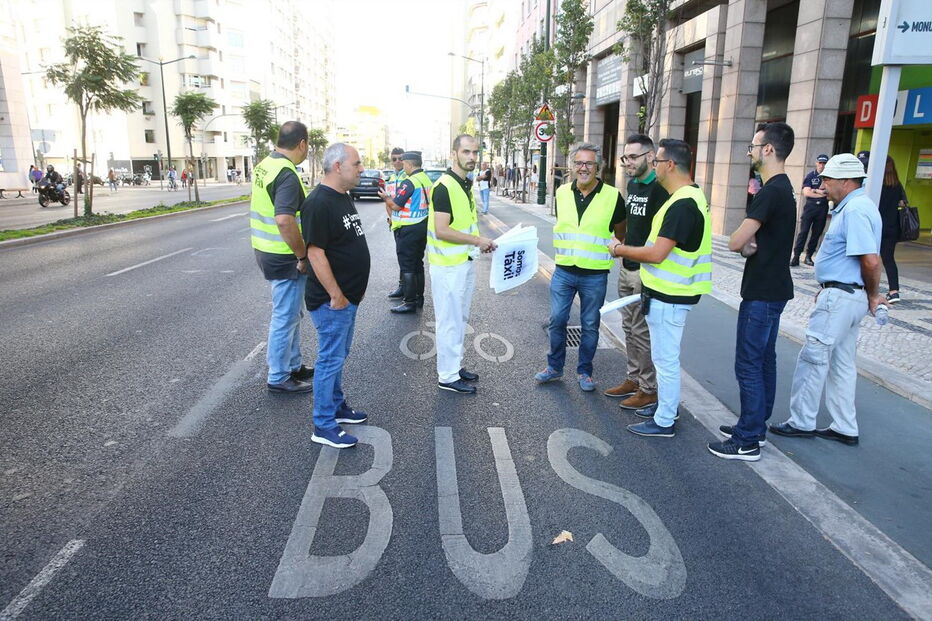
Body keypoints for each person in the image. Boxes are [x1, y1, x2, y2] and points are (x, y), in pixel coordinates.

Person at [770, 153, 883, 447]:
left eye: (828, 180)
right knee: (842, 363)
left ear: (845, 181)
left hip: (844, 295)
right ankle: (845, 426)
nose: (823, 185)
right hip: (847, 293)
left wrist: (873, 294)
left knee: (814, 357)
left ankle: (802, 421)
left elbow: (870, 260)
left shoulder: (855, 210)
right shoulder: (859, 206)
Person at [609, 139, 712, 438]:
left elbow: (656, 253)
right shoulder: (686, 198)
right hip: (668, 293)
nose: (654, 166)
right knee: (663, 357)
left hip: (670, 295)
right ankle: (665, 407)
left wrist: (619, 249)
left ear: (669, 165)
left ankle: (664, 419)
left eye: (658, 162)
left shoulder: (682, 204)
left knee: (665, 360)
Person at [709, 122, 797, 461]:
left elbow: (734, 240)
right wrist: (749, 247)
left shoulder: (770, 191)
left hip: (762, 293)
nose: (751, 151)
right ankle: (754, 427)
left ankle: (746, 439)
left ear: (769, 149)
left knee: (749, 363)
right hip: (774, 289)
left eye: (754, 145)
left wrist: (743, 244)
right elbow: (755, 244)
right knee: (763, 362)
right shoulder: (785, 188)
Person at [535, 143, 625, 392]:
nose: (583, 168)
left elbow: (620, 231)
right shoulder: (562, 192)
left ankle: (585, 372)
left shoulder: (612, 196)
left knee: (589, 325)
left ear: (599, 168)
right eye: (579, 163)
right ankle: (554, 367)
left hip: (594, 274)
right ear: (572, 166)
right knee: (557, 320)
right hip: (564, 270)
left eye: (589, 164)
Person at [301, 142, 371, 449]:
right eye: (357, 163)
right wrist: (336, 295)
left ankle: (338, 406)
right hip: (333, 301)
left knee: (338, 356)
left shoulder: (341, 196)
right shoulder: (318, 202)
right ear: (338, 166)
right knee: (329, 359)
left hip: (347, 298)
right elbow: (315, 253)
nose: (361, 169)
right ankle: (324, 424)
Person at [428, 134, 497, 394]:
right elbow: (442, 230)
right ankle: (447, 377)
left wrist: (477, 244)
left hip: (462, 263)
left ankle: (455, 368)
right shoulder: (445, 186)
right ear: (453, 153)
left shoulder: (464, 184)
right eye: (466, 152)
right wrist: (478, 240)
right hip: (447, 267)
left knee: (460, 319)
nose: (472, 157)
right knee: (449, 321)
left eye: (475, 152)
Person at [604, 134, 668, 412]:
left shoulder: (660, 189)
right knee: (629, 328)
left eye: (633, 157)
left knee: (642, 332)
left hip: (647, 271)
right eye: (625, 157)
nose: (627, 162)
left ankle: (648, 388)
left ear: (651, 157)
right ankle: (633, 378)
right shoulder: (633, 185)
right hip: (627, 266)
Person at [250, 121, 314, 394]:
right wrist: (302, 255)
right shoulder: (286, 173)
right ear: (302, 144)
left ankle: (294, 364)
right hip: (284, 254)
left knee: (292, 313)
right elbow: (285, 220)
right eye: (307, 146)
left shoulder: (266, 164)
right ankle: (278, 375)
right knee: (285, 316)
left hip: (266, 249)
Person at [378, 150, 431, 314]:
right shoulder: (426, 179)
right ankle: (419, 297)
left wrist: (386, 198)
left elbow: (396, 205)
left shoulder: (410, 182)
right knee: (418, 264)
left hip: (408, 228)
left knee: (407, 266)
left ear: (408, 164)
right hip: (422, 226)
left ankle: (409, 302)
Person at [791, 154, 830, 267]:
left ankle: (809, 256)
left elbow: (829, 193)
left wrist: (815, 191)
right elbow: (807, 192)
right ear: (816, 163)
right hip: (810, 207)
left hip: (822, 209)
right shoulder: (811, 176)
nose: (822, 165)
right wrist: (820, 192)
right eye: (820, 163)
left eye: (824, 163)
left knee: (816, 234)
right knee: (803, 232)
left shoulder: (829, 178)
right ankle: (796, 256)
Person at [878, 156, 907, 304]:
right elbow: (903, 203)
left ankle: (865, 287)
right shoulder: (897, 185)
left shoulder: (876, 185)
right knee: (888, 259)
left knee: (867, 257)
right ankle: (894, 291)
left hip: (876, 227)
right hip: (892, 227)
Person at [383, 147, 407, 300]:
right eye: (394, 159)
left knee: (407, 257)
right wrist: (391, 218)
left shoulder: (408, 176)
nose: (397, 161)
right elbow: (387, 200)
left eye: (400, 158)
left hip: (407, 222)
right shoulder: (391, 179)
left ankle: (407, 289)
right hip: (396, 223)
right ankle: (402, 286)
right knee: (400, 256)